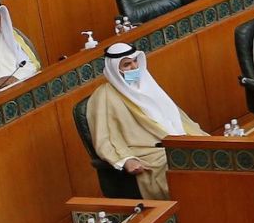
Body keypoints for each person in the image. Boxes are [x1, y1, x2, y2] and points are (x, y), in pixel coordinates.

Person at [86, 43, 203, 199]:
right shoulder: (104, 96)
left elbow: (177, 119)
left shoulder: (148, 85)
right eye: (127, 64)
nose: (134, 67)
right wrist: (126, 160)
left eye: (135, 61)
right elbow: (103, 140)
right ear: (114, 69)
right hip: (149, 153)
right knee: (186, 168)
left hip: (177, 141)